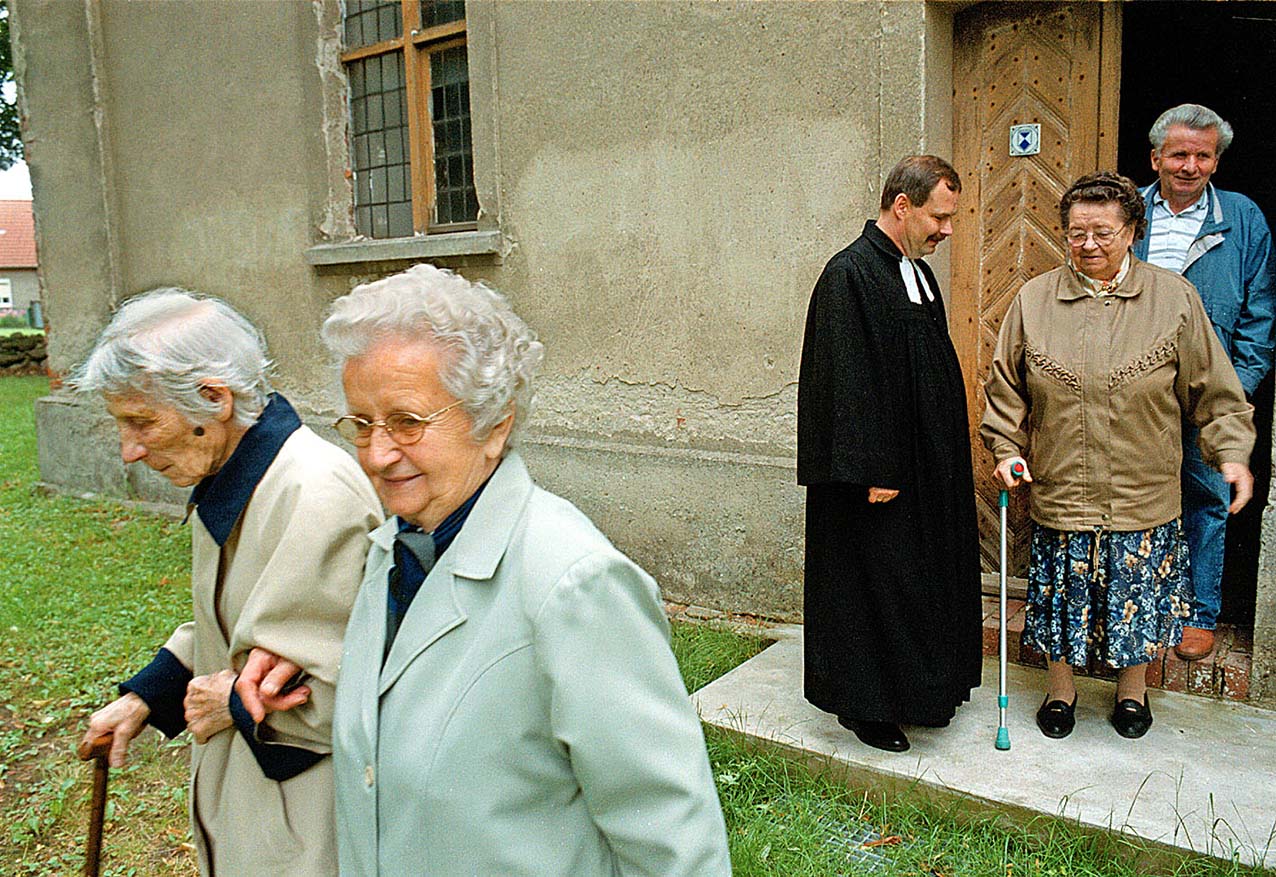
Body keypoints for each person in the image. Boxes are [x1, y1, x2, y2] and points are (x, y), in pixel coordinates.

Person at [237, 264, 731, 876]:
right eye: (361, 424)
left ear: (494, 425)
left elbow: (673, 842)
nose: (378, 453)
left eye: (407, 422)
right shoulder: (393, 550)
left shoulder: (574, 585)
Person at [71, 289, 383, 875]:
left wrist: (233, 703)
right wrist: (147, 697)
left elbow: (358, 689)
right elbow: (233, 621)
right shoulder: (234, 477)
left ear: (215, 399)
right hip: (255, 807)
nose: (130, 450)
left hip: (304, 824)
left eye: (141, 422)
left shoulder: (313, 495)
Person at [982, 172, 1255, 741]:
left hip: (1143, 489)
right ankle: (1061, 691)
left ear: (1132, 231)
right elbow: (1007, 388)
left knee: (1139, 603)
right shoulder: (1035, 300)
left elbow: (1214, 389)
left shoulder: (1174, 299)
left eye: (1103, 233)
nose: (1088, 245)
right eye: (1076, 232)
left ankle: (1133, 692)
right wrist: (1006, 449)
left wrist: (1232, 453)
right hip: (1064, 485)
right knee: (1062, 600)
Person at [796, 155, 983, 754]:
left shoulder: (916, 272)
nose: (947, 230)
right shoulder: (848, 274)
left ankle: (919, 693)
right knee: (873, 585)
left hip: (923, 468)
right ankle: (865, 706)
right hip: (878, 477)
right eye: (939, 217)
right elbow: (843, 378)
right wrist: (873, 468)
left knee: (915, 583)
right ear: (902, 206)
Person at [1132, 103, 1275, 661]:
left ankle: (1198, 612)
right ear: (1156, 158)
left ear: (1216, 161)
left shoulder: (1242, 217)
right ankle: (1138, 605)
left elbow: (1260, 313)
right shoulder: (1129, 210)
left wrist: (1235, 389)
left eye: (1203, 156)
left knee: (1206, 496)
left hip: (1209, 390)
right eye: (1178, 155)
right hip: (1135, 386)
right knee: (1134, 495)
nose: (1190, 166)